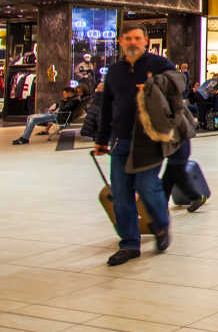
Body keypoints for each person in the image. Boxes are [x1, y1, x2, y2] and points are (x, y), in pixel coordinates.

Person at [94, 24, 174, 266]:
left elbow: (181, 87)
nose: (133, 42)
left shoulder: (159, 65)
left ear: (146, 40)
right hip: (120, 139)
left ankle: (161, 226)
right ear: (120, 41)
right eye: (128, 38)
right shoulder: (115, 72)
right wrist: (101, 138)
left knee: (147, 185)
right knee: (120, 193)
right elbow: (107, 106)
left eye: (137, 38)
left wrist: (156, 86)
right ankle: (129, 243)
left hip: (149, 139)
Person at [12, 86, 81, 144]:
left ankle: (25, 138)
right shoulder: (72, 100)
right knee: (30, 117)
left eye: (64, 93)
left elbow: (64, 108)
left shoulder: (74, 101)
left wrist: (63, 101)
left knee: (33, 119)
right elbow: (64, 107)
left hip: (59, 117)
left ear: (69, 93)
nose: (63, 95)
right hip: (57, 115)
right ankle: (24, 136)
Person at [161, 138, 207, 213]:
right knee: (171, 179)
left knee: (172, 179)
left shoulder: (176, 128)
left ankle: (196, 197)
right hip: (180, 151)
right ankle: (162, 206)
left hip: (178, 152)